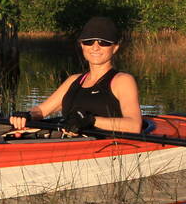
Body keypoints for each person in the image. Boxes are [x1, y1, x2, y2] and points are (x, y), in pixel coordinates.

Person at [9, 16, 147, 135]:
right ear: (82, 45)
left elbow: (134, 126)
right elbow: (41, 110)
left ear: (115, 48)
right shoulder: (74, 80)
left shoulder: (122, 80)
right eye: (89, 42)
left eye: (103, 42)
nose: (95, 47)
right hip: (69, 141)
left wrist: (91, 120)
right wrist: (26, 115)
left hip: (102, 145)